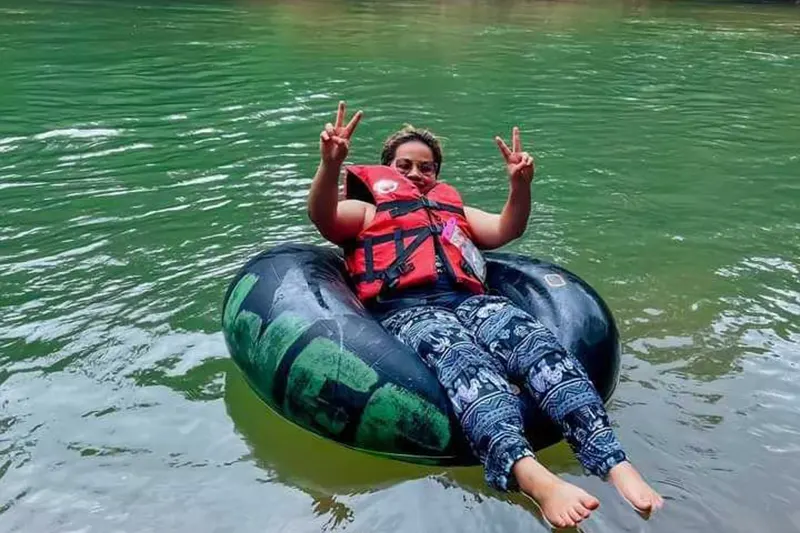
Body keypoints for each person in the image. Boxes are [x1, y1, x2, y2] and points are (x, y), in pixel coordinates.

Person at [306, 101, 664, 528]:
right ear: (387, 169)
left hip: (470, 301)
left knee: (539, 347)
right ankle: (534, 479)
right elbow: (324, 217)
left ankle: (612, 459)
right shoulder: (367, 211)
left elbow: (505, 228)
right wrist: (330, 166)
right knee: (465, 363)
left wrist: (520, 185)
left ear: (437, 174)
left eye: (427, 167)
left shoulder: (452, 212)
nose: (417, 174)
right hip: (408, 309)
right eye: (406, 165)